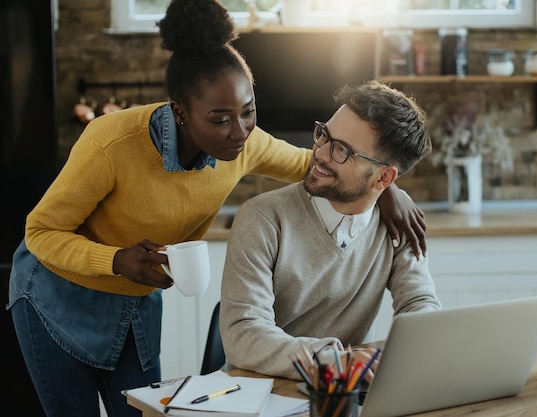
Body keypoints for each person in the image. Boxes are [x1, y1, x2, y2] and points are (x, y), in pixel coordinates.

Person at [6, 1, 427, 416]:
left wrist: (389, 190)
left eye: (248, 112)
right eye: (220, 118)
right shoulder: (109, 144)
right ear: (181, 113)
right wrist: (114, 260)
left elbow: (318, 167)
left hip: (134, 299)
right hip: (55, 295)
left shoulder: (246, 144)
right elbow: (40, 232)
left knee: (140, 412)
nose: (240, 132)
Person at [220, 80, 442, 382]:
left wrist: (417, 345)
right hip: (263, 396)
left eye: (342, 151)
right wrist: (337, 363)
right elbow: (243, 336)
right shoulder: (263, 218)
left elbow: (419, 303)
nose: (320, 153)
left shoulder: (399, 223)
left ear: (383, 178)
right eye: (324, 135)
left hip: (346, 391)